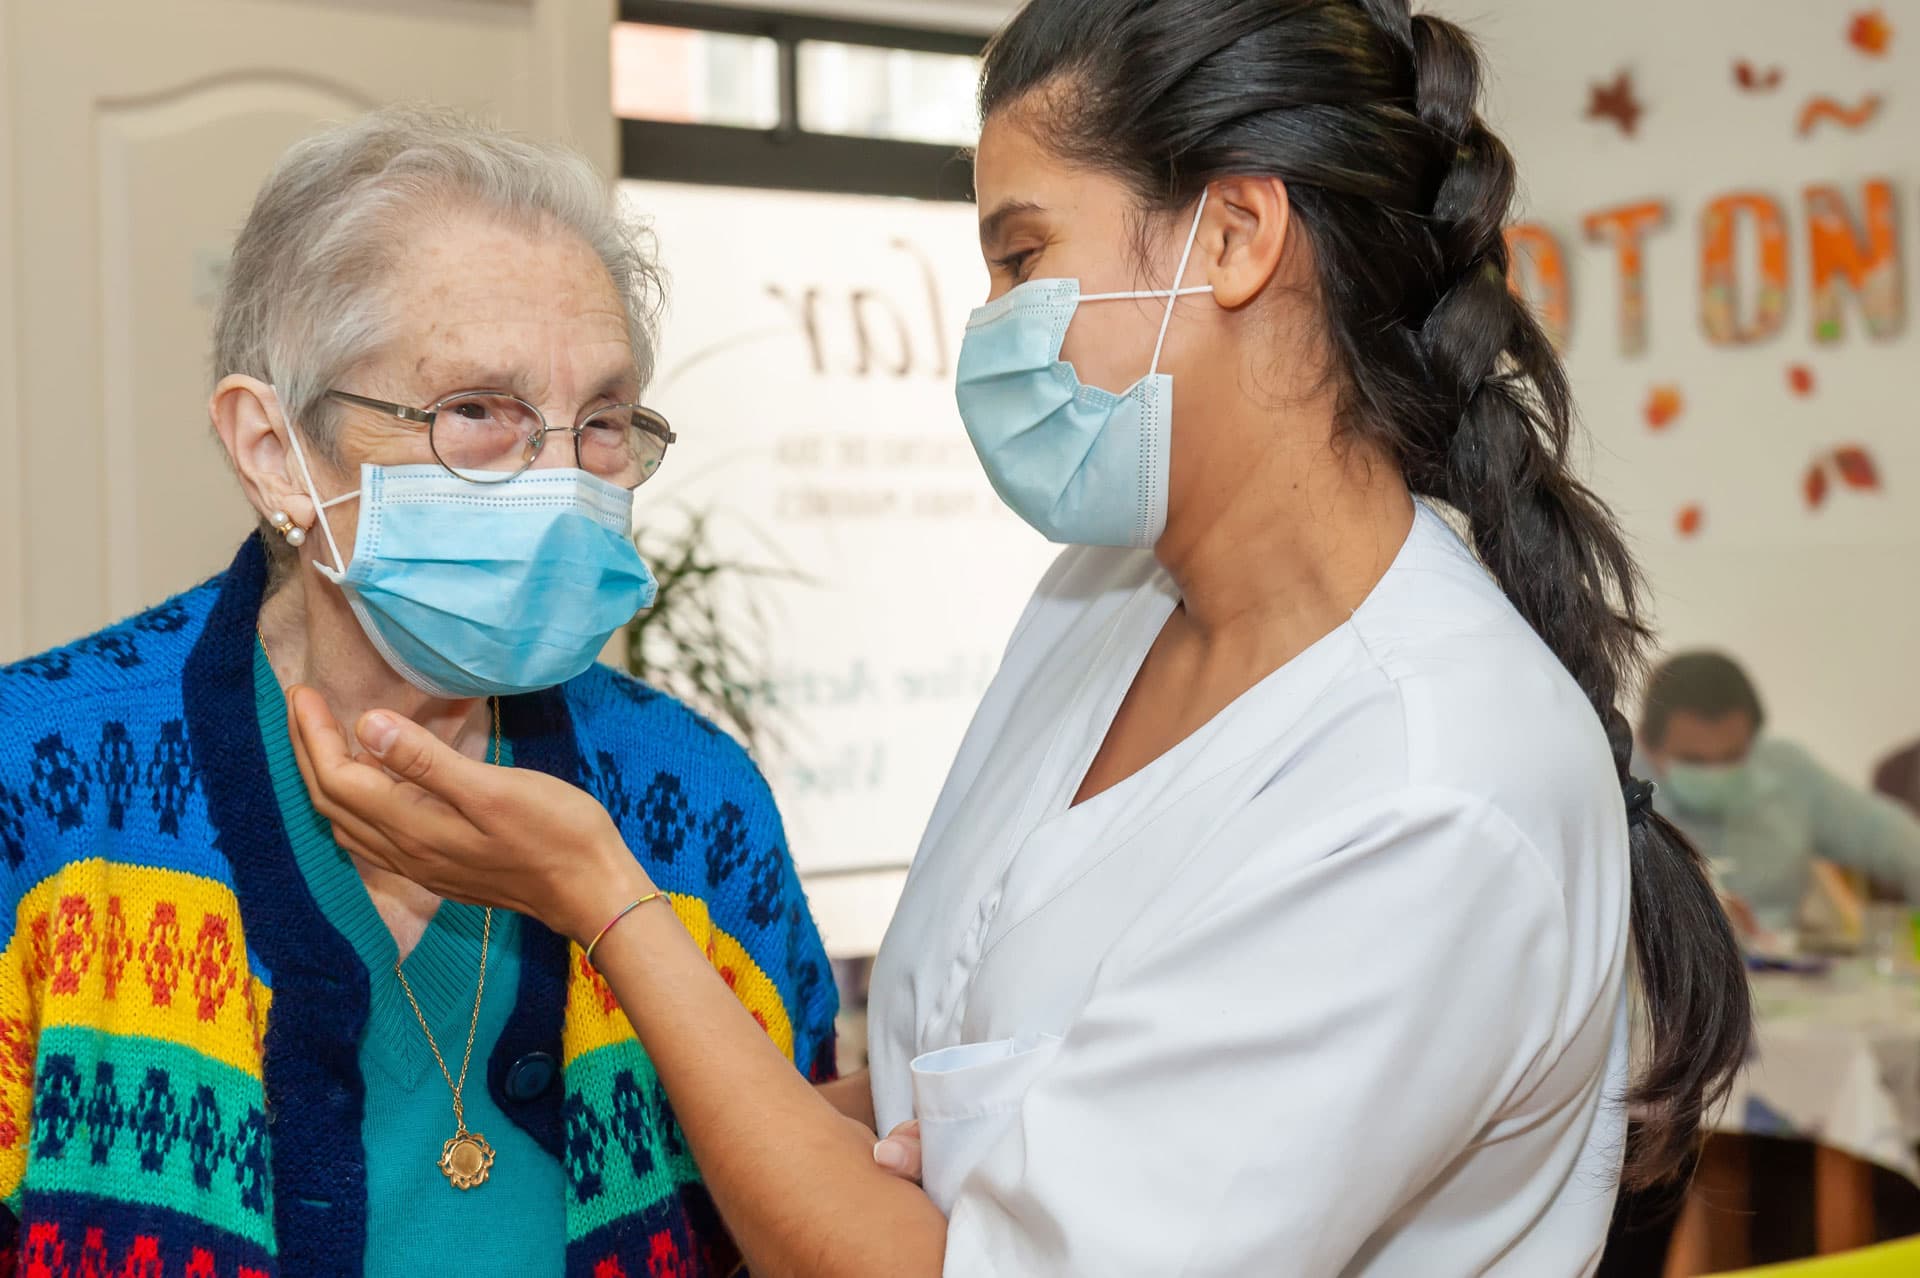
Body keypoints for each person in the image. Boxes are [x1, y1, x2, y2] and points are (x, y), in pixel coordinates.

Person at [284, 2, 1751, 1274]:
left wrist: (600, 894)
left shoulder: (1434, 786)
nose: (985, 324)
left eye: (1020, 252)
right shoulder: (1099, 600)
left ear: (1234, 236)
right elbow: (937, 1097)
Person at [0, 108, 834, 1276]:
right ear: (274, 451)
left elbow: (808, 1213)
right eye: (475, 414)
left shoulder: (694, 805)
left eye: (600, 421)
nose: (557, 478)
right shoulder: (37, 779)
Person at [1639, 650, 1920, 935]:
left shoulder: (1788, 772)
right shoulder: (1616, 787)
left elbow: (1897, 842)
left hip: (1781, 971)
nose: (1715, 772)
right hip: (1663, 971)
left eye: (1732, 756)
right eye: (1694, 761)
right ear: (1648, 745)